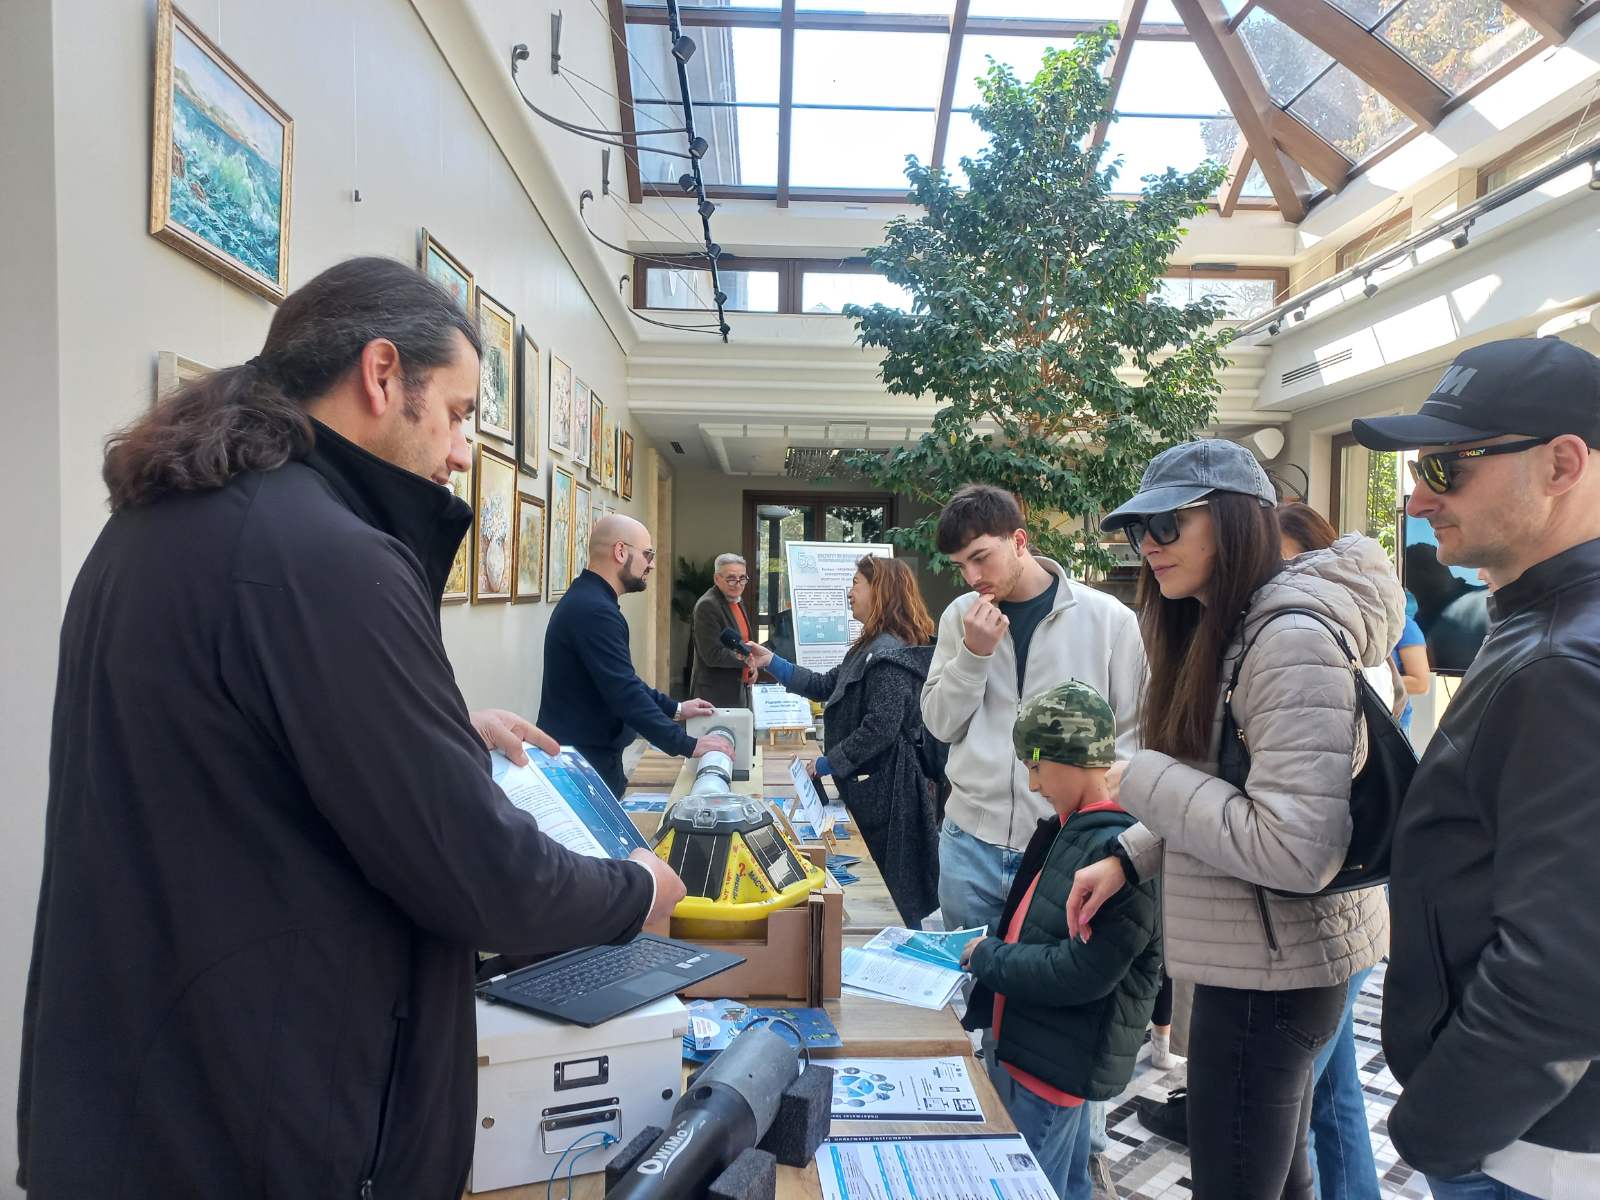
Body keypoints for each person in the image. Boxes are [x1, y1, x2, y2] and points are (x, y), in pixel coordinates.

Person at [15, 258, 688, 1198]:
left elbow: (233, 747)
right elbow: (476, 873)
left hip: (147, 1095)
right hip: (267, 1121)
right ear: (381, 375)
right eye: (456, 413)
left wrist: (439, 726)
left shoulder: (163, 525)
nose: (463, 453)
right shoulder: (325, 556)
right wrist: (634, 888)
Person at [1069, 438, 1400, 1200]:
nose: (1148, 546)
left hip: (1272, 975)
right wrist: (1129, 856)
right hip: (1260, 959)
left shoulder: (1287, 640)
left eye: (1168, 524)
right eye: (1138, 529)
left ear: (1235, 520)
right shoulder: (1232, 626)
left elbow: (1297, 849)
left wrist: (1142, 779)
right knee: (1283, 1178)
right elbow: (1230, 786)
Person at [1353, 337, 1600, 1200]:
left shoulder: (1564, 662)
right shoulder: (1542, 621)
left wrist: (1434, 1130)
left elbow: (1563, 969)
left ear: (1562, 463)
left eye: (1446, 468)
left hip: (1528, 1154)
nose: (1419, 499)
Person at [921, 483, 1145, 1197]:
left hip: (1070, 850)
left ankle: (1082, 1150)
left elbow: (1135, 738)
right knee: (980, 1000)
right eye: (960, 566)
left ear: (1021, 540)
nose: (973, 577)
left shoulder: (1107, 619)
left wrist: (1102, 828)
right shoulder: (960, 618)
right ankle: (994, 1147)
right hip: (973, 836)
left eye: (981, 558)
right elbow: (938, 723)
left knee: (1069, 1011)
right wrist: (973, 656)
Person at [957, 680, 1162, 1200]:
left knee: (1031, 1186)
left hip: (1054, 1068)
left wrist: (988, 958)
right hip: (1035, 1049)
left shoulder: (1119, 854)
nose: (1031, 784)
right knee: (1067, 1184)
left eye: (1035, 766)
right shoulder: (1072, 829)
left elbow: (1081, 972)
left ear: (1073, 759)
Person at [1277, 500, 1390, 1200]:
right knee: (1332, 1093)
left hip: (1327, 909)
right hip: (1350, 906)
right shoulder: (1344, 635)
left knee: (1285, 1109)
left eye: (1281, 563)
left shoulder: (1311, 642)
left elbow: (1297, 823)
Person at [741, 556, 941, 927]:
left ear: (880, 591)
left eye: (856, 584)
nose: (849, 592)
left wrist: (827, 762)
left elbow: (880, 727)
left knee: (888, 892)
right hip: (873, 787)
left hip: (890, 792)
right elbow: (824, 685)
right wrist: (771, 661)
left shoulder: (890, 653)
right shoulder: (869, 646)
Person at [538, 514, 733, 799]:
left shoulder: (591, 599)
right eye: (647, 554)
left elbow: (622, 679)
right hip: (582, 762)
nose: (651, 564)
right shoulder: (595, 611)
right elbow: (624, 693)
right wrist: (687, 744)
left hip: (590, 755)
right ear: (620, 551)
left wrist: (676, 708)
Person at [690, 552, 756, 709]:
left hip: (741, 689)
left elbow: (743, 642)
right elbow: (712, 654)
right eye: (731, 579)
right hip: (715, 695)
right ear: (717, 579)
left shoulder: (737, 600)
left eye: (742, 578)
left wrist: (752, 667)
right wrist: (747, 659)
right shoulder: (707, 606)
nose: (738, 584)